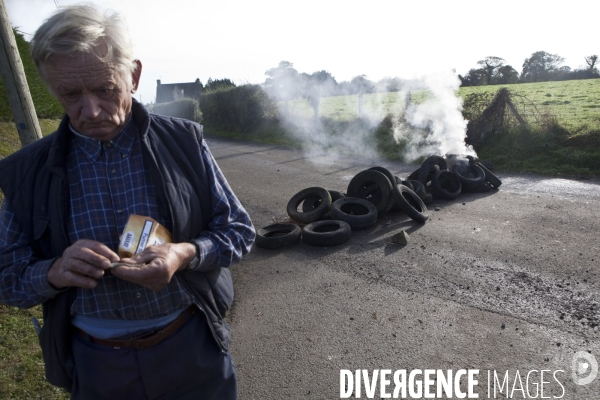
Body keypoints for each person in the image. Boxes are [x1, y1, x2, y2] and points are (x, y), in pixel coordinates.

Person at [0, 4, 255, 399]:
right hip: (98, 366)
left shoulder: (184, 142)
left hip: (192, 349)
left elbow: (238, 231)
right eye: (71, 94)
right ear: (52, 87)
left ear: (133, 76)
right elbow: (7, 279)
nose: (91, 110)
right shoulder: (26, 172)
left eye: (105, 89)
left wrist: (183, 254)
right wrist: (54, 271)